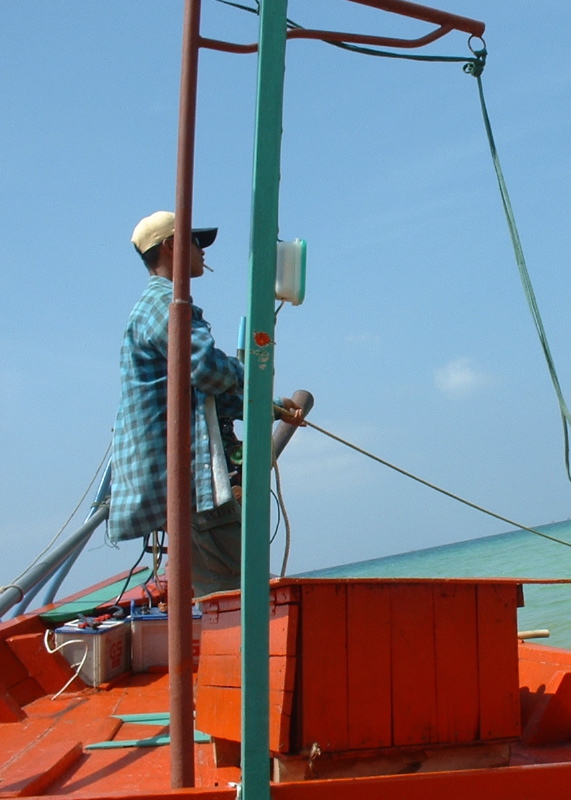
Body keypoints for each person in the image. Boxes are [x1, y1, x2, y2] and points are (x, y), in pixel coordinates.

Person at [109, 211, 302, 597]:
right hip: (188, 482)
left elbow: (206, 395)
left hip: (178, 483)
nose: (201, 252)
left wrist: (274, 406)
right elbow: (208, 370)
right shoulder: (166, 305)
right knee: (237, 592)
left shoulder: (156, 306)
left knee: (219, 590)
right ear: (171, 246)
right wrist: (251, 375)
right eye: (196, 243)